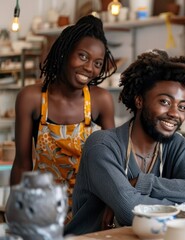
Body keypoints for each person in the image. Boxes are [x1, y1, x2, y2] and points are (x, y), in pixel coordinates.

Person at [64, 49, 185, 235]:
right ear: (139, 101)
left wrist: (143, 183)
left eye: (182, 107)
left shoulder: (175, 144)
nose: (175, 113)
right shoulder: (102, 146)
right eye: (165, 102)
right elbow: (131, 210)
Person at [10, 15, 118, 218]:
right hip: (43, 209)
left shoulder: (100, 100)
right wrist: (18, 210)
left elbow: (112, 164)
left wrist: (112, 210)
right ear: (65, 52)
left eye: (97, 63)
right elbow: (22, 163)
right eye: (83, 56)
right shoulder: (32, 98)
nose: (89, 68)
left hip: (90, 210)